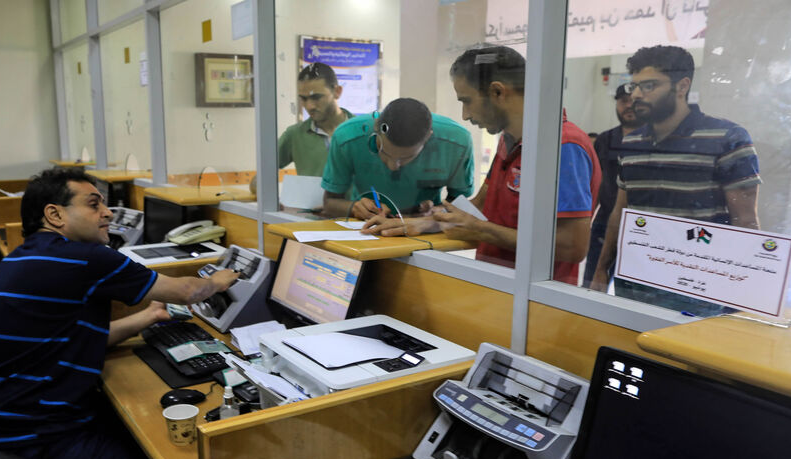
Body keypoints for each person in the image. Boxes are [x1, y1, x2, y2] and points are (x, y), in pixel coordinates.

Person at [0, 168, 239, 459]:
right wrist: (220, 278)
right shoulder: (85, 258)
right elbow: (189, 292)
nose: (107, 213)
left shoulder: (27, 256)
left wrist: (146, 318)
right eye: (93, 205)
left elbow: (70, 340)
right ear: (55, 214)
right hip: (27, 444)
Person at [363, 45, 600, 285]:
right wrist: (420, 223)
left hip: (538, 297)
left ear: (497, 92)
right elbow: (480, 205)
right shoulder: (510, 140)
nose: (464, 115)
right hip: (496, 284)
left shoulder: (563, 147)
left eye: (467, 101)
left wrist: (482, 230)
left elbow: (573, 246)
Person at [590, 45, 762, 314]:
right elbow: (620, 213)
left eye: (648, 86)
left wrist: (738, 296)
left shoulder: (728, 138)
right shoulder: (632, 141)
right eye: (633, 86)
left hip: (697, 290)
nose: (636, 95)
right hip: (634, 284)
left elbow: (745, 221)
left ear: (681, 87)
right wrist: (601, 271)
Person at [321, 97, 474, 219]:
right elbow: (329, 202)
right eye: (384, 152)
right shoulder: (347, 137)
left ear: (428, 138)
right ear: (376, 127)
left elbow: (460, 202)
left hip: (423, 232)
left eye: (406, 158)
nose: (393, 166)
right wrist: (354, 208)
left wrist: (436, 211)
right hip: (365, 229)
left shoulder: (457, 142)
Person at [249, 63, 353, 195]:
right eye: (303, 99)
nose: (309, 106)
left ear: (337, 92)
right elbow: (257, 181)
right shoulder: (295, 135)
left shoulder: (364, 131)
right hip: (313, 215)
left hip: (362, 215)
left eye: (316, 97)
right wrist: (273, 198)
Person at [581, 84, 644, 287]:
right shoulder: (605, 140)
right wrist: (585, 220)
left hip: (641, 227)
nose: (628, 106)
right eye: (623, 101)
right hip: (605, 222)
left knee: (632, 291)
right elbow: (595, 183)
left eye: (632, 101)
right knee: (592, 285)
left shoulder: (652, 141)